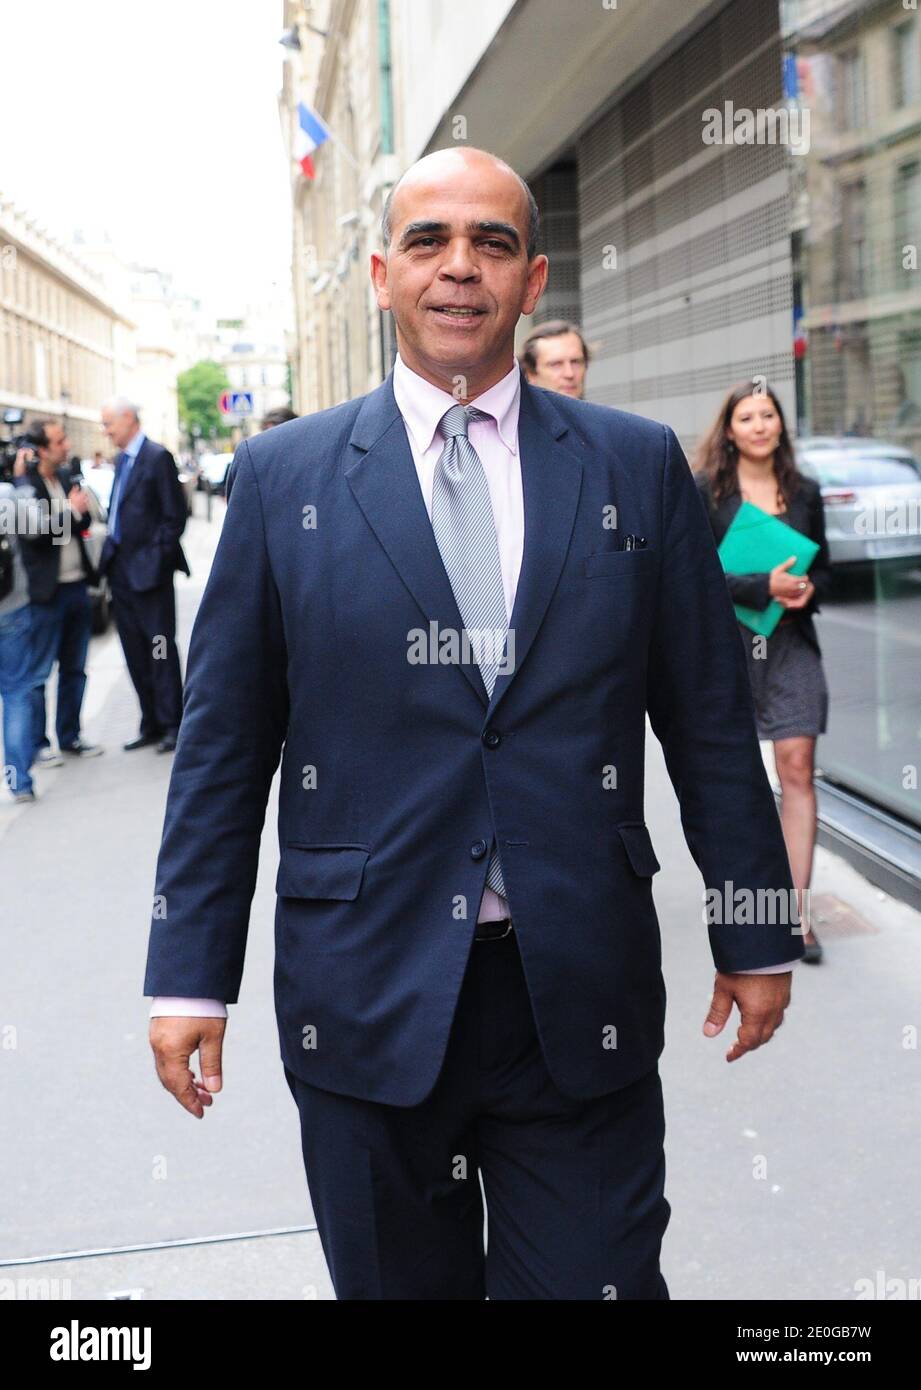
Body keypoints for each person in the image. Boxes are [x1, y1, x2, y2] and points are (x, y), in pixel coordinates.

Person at [145, 147, 803, 1301]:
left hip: (577, 991)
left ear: (535, 277)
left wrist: (754, 926)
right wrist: (188, 977)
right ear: (381, 274)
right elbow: (223, 750)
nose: (461, 269)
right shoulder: (280, 477)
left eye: (492, 244)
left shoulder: (633, 467)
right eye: (429, 242)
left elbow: (705, 719)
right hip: (367, 994)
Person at [693, 381, 832, 965]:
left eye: (767, 414)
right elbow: (692, 579)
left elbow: (829, 570)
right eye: (746, 416)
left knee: (797, 768)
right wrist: (759, 586)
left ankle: (797, 913)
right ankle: (751, 906)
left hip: (792, 643)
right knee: (738, 781)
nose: (757, 425)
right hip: (728, 647)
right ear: (729, 429)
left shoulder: (806, 492)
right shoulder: (705, 491)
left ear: (780, 425)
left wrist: (806, 588)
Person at [98, 399, 190, 754]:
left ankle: (172, 724)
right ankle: (149, 722)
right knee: (134, 651)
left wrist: (155, 560)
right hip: (120, 572)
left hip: (149, 575)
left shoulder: (156, 456)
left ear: (128, 420)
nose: (105, 431)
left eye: (109, 423)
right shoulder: (122, 460)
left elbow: (174, 517)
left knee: (160, 650)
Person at [14, 421, 103, 763]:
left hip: (76, 586)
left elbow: (80, 527)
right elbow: (36, 535)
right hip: (45, 593)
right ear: (41, 449)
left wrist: (76, 513)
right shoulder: (27, 487)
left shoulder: (66, 478)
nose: (67, 445)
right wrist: (69, 511)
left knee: (75, 669)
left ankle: (70, 736)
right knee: (38, 674)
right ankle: (39, 744)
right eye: (59, 440)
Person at [0, 467, 44, 801]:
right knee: (16, 694)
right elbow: (39, 529)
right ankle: (20, 782)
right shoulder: (7, 496)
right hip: (11, 608)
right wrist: (23, 482)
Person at [225, 406, 299, 503]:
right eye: (268, 434)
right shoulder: (253, 464)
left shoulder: (302, 463)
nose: (273, 441)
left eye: (279, 434)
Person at [518, 318, 589, 398]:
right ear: (531, 374)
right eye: (556, 364)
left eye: (575, 362)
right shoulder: (512, 410)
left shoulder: (600, 410)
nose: (569, 374)